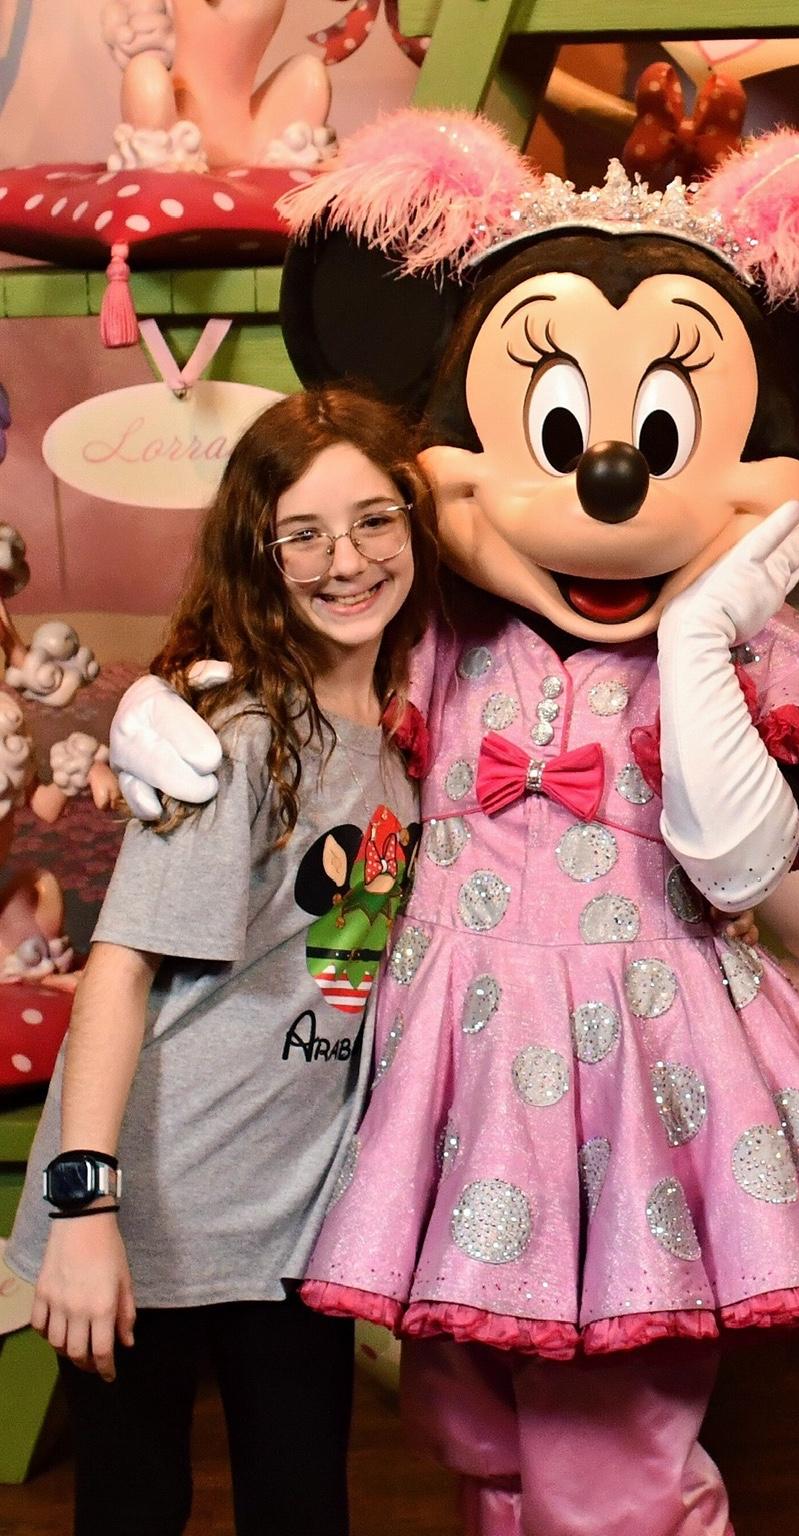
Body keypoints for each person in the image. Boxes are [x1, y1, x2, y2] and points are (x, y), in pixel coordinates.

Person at [102, 114, 799, 1536]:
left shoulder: (746, 648)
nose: (608, 483)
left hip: (645, 1054)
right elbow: (297, 665)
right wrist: (163, 693)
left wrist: (702, 643)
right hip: (448, 1054)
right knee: (470, 1417)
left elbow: (739, 860)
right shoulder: (440, 625)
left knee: (610, 1439)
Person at [5, 386, 441, 1536]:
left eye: (374, 519)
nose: (347, 559)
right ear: (258, 554)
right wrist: (85, 1212)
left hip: (290, 1228)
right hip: (146, 1212)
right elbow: (118, 972)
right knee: (133, 1509)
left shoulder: (394, 747)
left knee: (302, 1504)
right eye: (304, 533)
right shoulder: (241, 741)